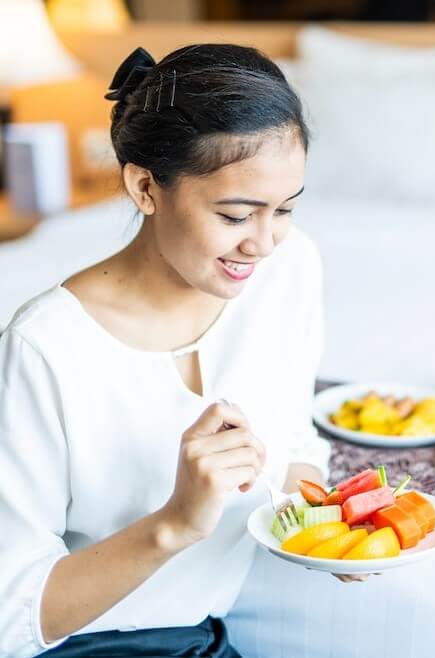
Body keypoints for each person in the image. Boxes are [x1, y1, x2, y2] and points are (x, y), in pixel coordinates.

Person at [0, 44, 333, 658]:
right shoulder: (43, 349)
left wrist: (326, 526)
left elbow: (296, 445)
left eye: (285, 208)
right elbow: (9, 616)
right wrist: (174, 523)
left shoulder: (290, 270)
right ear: (146, 187)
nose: (263, 242)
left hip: (203, 642)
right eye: (236, 214)